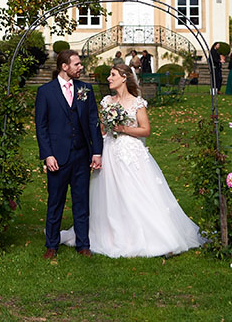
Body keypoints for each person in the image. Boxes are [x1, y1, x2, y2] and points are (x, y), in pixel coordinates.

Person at [61, 63, 204, 257]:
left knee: (136, 191)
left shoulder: (137, 103)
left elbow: (145, 130)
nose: (109, 78)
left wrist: (122, 129)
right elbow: (102, 129)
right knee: (110, 194)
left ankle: (151, 235)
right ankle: (111, 233)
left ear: (124, 78)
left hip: (130, 152)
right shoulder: (106, 101)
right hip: (109, 150)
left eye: (112, 75)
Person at [35, 50, 103, 259]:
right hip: (58, 157)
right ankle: (51, 245)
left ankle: (83, 244)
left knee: (81, 201)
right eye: (76, 64)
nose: (80, 67)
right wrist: (48, 155)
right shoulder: (45, 92)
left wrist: (97, 152)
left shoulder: (85, 89)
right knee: (55, 201)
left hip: (81, 155)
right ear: (64, 66)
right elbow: (41, 126)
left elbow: (94, 121)